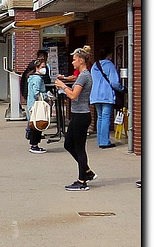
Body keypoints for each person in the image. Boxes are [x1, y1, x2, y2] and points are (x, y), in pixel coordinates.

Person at [55, 47, 96, 190]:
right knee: (68, 144)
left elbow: (73, 95)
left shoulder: (84, 75)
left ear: (81, 60)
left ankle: (82, 181)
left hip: (81, 115)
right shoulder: (81, 75)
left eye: (74, 59)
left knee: (79, 147)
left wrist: (62, 86)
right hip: (78, 114)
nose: (72, 62)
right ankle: (87, 171)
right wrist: (65, 81)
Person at [90, 48, 122, 149]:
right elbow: (114, 82)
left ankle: (100, 140)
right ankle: (104, 142)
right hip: (107, 95)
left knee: (100, 117)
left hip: (95, 95)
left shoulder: (95, 65)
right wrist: (122, 89)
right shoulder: (110, 65)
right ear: (108, 55)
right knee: (105, 118)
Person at [23, 50, 53, 154]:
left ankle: (34, 144)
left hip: (31, 104)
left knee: (34, 123)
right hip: (37, 104)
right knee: (38, 124)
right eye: (42, 67)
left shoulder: (31, 77)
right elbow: (36, 92)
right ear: (37, 68)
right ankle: (34, 145)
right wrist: (46, 95)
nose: (44, 69)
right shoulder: (38, 79)